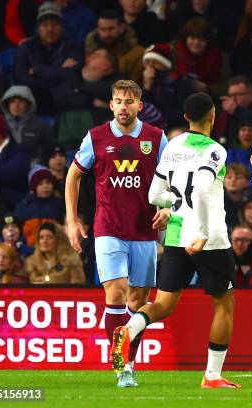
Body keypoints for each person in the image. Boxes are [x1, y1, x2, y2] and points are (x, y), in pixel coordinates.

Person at [112, 92, 240, 389]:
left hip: (176, 234)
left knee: (163, 303)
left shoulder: (173, 146)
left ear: (185, 118)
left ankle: (128, 331)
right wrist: (204, 233)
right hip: (209, 238)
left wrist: (173, 206)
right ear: (212, 115)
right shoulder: (215, 150)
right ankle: (212, 376)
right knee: (224, 304)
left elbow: (153, 195)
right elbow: (201, 191)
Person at [65, 79, 168, 387]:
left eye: (130, 101)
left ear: (140, 105)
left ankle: (128, 365)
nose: (124, 106)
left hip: (144, 230)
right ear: (111, 105)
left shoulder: (156, 138)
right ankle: (121, 364)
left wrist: (168, 209)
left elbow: (171, 180)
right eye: (119, 101)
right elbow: (73, 176)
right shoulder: (95, 137)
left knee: (138, 302)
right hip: (108, 227)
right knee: (116, 293)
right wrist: (71, 220)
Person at [12, 2, 83, 115]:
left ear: (62, 27)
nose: (50, 29)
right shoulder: (26, 47)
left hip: (64, 104)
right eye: (45, 25)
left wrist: (37, 70)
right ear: (38, 28)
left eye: (54, 24)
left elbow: (72, 75)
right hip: (33, 103)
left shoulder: (73, 47)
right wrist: (57, 76)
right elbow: (21, 78)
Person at [84, 9, 145, 84]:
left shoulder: (137, 54)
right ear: (97, 30)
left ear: (121, 28)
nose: (107, 34)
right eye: (102, 29)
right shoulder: (89, 52)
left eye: (111, 29)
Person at [0, 85, 55, 164]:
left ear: (29, 104)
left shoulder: (42, 126)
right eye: (12, 101)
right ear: (7, 105)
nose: (16, 105)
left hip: (33, 167)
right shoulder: (0, 124)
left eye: (21, 101)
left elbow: (50, 152)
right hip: (4, 166)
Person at [14, 166, 65, 247]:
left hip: (56, 247)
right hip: (30, 248)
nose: (45, 186)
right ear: (34, 187)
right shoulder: (24, 206)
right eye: (40, 184)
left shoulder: (59, 204)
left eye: (48, 182)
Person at [223, 164, 250, 229]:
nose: (233, 180)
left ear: (247, 182)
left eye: (238, 178)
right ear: (223, 181)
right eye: (229, 177)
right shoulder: (215, 201)